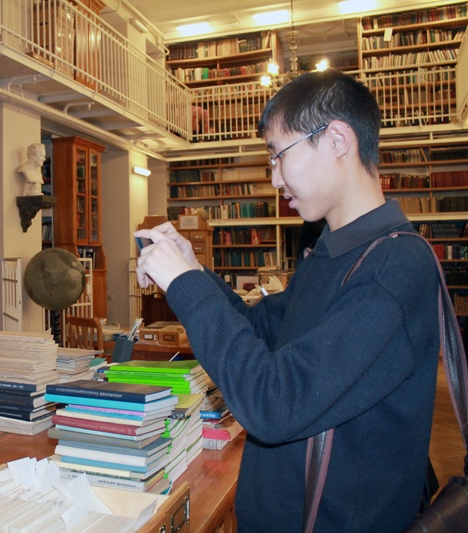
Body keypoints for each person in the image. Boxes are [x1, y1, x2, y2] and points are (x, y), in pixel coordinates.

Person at [134, 70, 441, 531]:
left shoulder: (394, 268)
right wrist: (194, 271)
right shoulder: (333, 250)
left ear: (337, 139)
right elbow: (260, 330)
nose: (275, 178)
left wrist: (184, 285)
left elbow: (274, 406)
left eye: (278, 155)